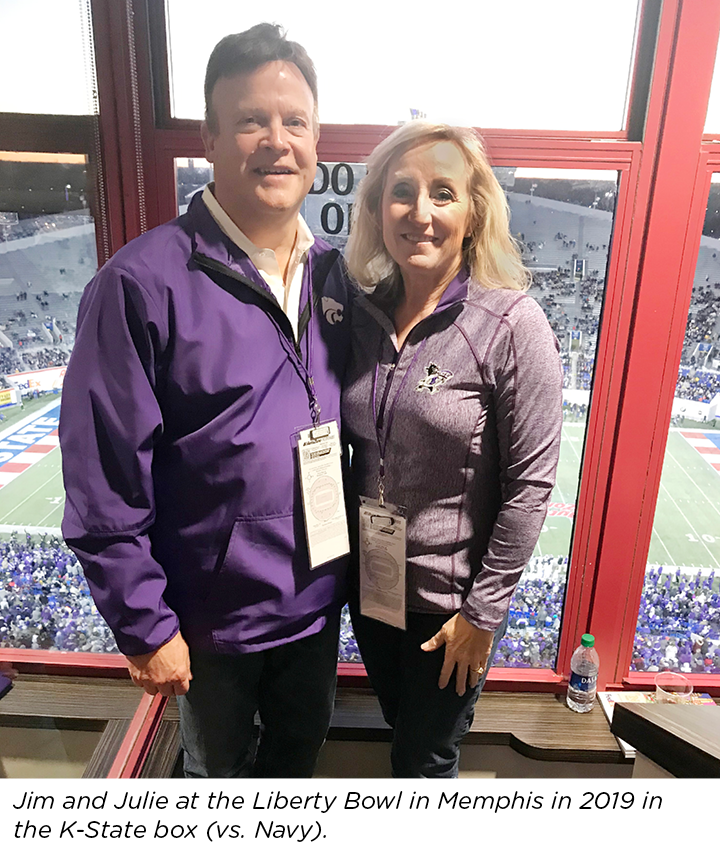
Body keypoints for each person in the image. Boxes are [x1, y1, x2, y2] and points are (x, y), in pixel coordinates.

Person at [60, 23, 352, 778]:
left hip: (317, 612)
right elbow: (101, 480)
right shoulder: (139, 284)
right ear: (212, 136)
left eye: (296, 123)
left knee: (291, 785)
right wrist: (143, 625)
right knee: (215, 795)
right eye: (253, 120)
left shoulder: (337, 281)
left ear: (318, 141)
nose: (276, 142)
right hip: (209, 629)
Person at [342, 121, 562, 778]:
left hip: (449, 607)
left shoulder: (511, 323)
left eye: (443, 193)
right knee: (400, 732)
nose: (421, 212)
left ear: (472, 214)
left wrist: (483, 613)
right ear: (378, 209)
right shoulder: (360, 312)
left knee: (423, 760)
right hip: (374, 587)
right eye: (402, 191)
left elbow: (531, 486)